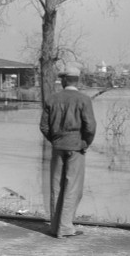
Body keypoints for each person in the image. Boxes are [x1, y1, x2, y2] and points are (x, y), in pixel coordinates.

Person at [39, 66, 97, 239]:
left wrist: (55, 140)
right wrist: (85, 143)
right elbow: (90, 127)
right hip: (76, 147)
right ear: (76, 80)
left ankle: (55, 226)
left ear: (64, 81)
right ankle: (65, 228)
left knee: (56, 186)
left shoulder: (52, 99)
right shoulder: (84, 99)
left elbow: (44, 126)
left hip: (58, 146)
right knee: (72, 188)